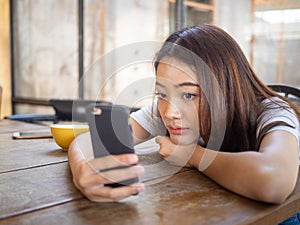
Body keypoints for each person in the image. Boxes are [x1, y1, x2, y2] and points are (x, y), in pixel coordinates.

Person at [68, 24, 300, 223]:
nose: (170, 113)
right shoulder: (165, 110)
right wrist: (82, 170)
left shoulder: (271, 112)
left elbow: (274, 180)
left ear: (225, 88)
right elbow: (89, 140)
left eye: (189, 95)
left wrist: (192, 155)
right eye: (162, 94)